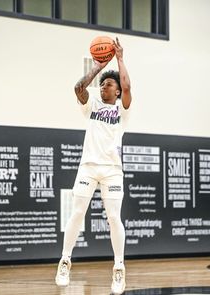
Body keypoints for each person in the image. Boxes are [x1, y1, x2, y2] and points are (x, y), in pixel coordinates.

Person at [55, 37, 132, 295]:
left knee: (113, 218)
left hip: (112, 171)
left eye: (108, 84)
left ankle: (119, 268)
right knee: (77, 213)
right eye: (101, 85)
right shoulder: (92, 106)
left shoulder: (123, 110)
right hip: (88, 166)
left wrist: (119, 59)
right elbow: (78, 87)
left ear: (117, 91)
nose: (103, 88)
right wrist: (99, 67)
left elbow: (128, 85)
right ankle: (65, 261)